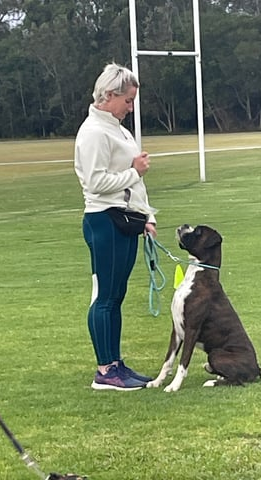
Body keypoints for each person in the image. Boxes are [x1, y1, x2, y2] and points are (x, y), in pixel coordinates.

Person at [74, 62, 157, 391]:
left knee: (116, 295)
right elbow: (96, 183)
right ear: (109, 95)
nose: (131, 107)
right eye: (127, 100)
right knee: (105, 296)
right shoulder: (93, 132)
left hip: (125, 218)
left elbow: (133, 180)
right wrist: (134, 172)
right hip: (104, 219)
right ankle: (105, 370)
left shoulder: (118, 129)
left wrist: (147, 214)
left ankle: (116, 363)